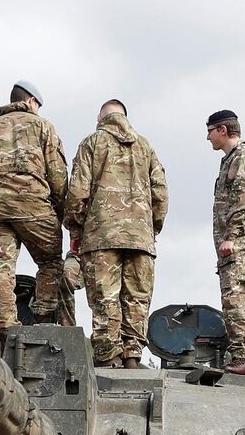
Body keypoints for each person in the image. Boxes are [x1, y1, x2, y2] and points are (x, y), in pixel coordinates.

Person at [64, 99, 168, 368]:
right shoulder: (146, 147)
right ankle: (133, 356)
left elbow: (77, 192)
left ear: (100, 119)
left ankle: (109, 357)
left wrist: (75, 230)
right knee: (136, 298)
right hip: (140, 237)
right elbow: (161, 192)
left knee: (105, 298)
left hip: (101, 236)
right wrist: (150, 227)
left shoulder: (92, 143)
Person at [0, 80, 69, 335]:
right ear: (32, 101)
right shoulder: (44, 127)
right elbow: (57, 175)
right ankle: (43, 320)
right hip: (34, 207)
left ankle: (5, 330)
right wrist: (62, 214)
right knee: (50, 262)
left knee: (0, 271)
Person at [206, 109, 245, 375]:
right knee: (233, 298)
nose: (207, 137)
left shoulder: (243, 157)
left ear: (223, 130)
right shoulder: (232, 159)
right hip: (238, 241)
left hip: (243, 241)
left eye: (209, 131)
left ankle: (244, 358)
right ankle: (242, 356)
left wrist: (231, 236)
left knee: (237, 297)